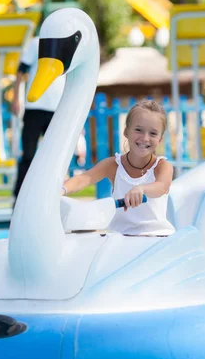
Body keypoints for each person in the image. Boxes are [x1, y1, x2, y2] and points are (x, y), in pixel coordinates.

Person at [61, 100, 175, 236]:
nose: (145, 138)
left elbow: (161, 187)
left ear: (160, 139)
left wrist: (141, 189)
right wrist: (61, 190)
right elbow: (84, 178)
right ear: (126, 131)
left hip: (156, 237)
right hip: (120, 238)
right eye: (138, 130)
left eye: (153, 133)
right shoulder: (113, 165)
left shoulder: (162, 166)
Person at [11, 33, 66, 200]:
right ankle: (19, 196)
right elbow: (21, 71)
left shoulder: (68, 45)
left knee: (55, 155)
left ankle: (53, 195)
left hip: (57, 108)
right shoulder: (36, 43)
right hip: (34, 106)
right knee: (28, 154)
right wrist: (15, 98)